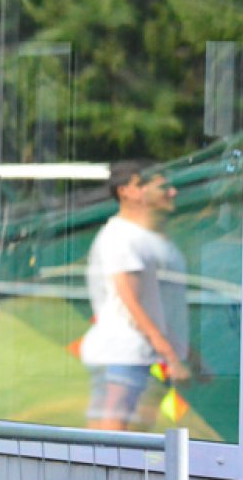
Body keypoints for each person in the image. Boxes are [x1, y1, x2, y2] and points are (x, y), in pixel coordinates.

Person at [80, 160, 194, 431]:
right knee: (115, 426)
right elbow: (132, 303)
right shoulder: (121, 238)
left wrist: (187, 353)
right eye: (161, 186)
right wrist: (172, 356)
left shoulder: (147, 238)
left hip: (145, 354)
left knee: (137, 428)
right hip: (124, 352)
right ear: (128, 191)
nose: (172, 192)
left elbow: (156, 304)